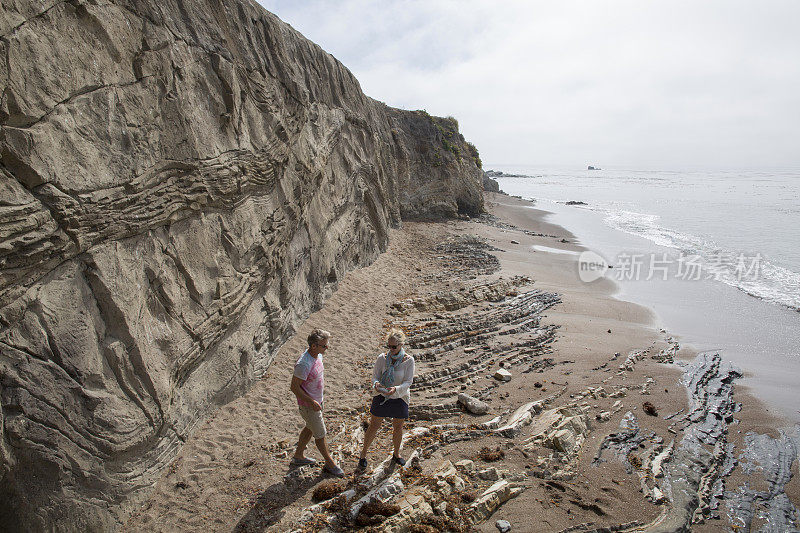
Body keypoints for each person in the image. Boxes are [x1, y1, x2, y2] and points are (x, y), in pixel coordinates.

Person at [357, 328, 415, 471]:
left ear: (401, 345)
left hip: (399, 396)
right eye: (389, 346)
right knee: (374, 425)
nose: (391, 349)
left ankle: (396, 453)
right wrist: (376, 384)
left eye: (394, 347)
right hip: (382, 394)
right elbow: (375, 376)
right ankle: (363, 454)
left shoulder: (408, 360)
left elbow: (408, 382)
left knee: (398, 427)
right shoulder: (382, 358)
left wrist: (396, 389)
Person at [290, 328, 344, 477]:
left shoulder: (317, 355)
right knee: (320, 434)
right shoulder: (303, 364)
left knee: (309, 427)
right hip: (309, 406)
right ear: (314, 346)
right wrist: (311, 401)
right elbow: (294, 387)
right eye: (324, 345)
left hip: (317, 402)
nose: (327, 348)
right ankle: (330, 464)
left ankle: (298, 455)